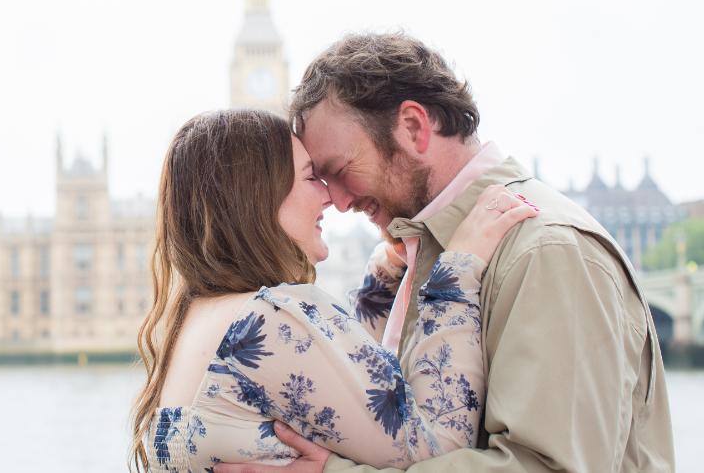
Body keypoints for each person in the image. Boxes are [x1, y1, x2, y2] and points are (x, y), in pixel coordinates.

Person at [215, 32, 675, 473]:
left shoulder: (547, 252)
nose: (336, 200)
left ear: (413, 127)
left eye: (339, 169)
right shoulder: (414, 256)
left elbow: (545, 468)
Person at [130, 109, 536, 472]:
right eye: (311, 177)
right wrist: (458, 269)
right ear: (258, 196)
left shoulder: (192, 321)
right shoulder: (272, 315)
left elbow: (340, 383)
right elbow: (437, 448)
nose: (331, 197)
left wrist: (384, 275)